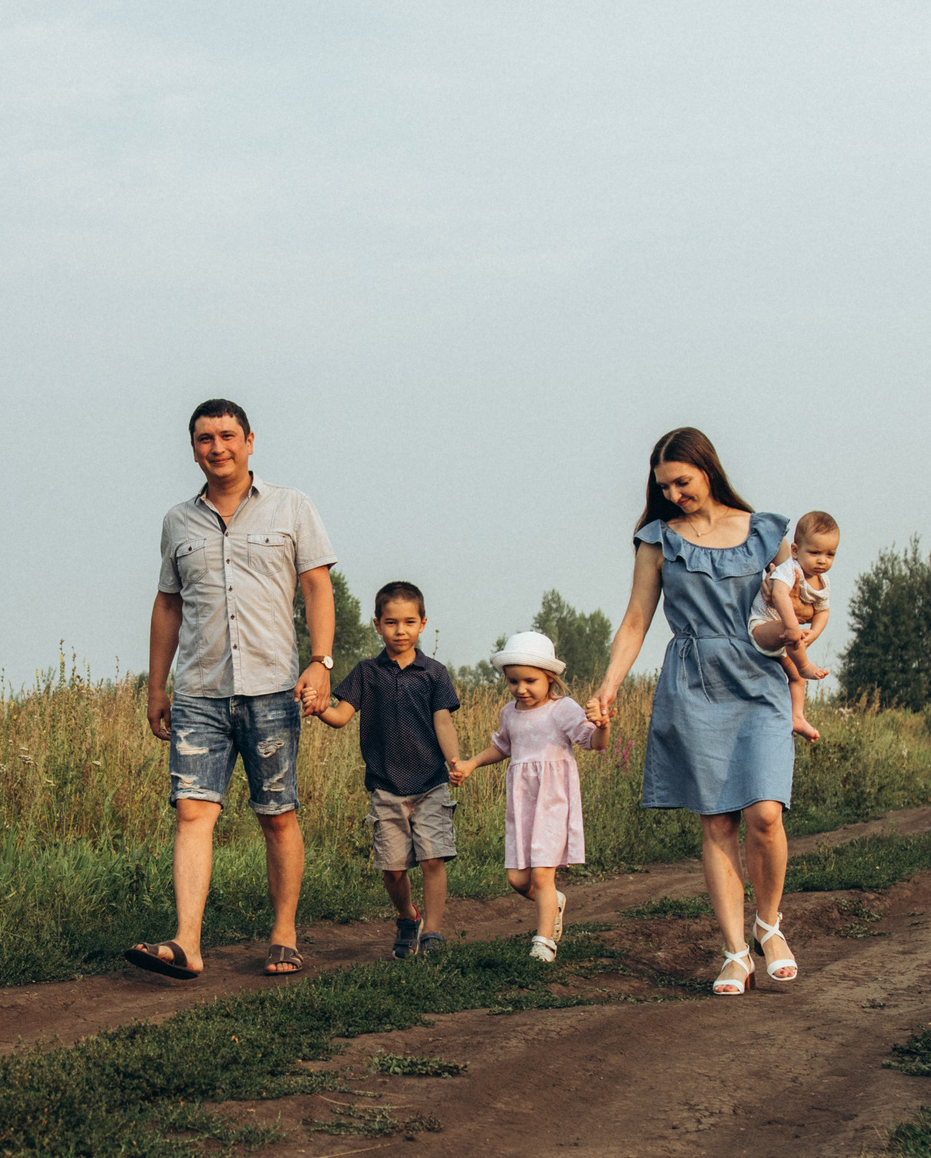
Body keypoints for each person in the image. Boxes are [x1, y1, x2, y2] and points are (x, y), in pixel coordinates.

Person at [129, 399, 339, 982]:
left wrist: (321, 662)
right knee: (193, 813)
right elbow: (167, 605)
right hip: (199, 691)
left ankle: (284, 934)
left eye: (226, 436)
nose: (216, 448)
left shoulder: (292, 507)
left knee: (276, 814)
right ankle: (187, 944)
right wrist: (156, 688)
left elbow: (317, 587)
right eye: (203, 439)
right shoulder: (178, 521)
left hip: (273, 688)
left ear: (250, 440)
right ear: (192, 447)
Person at [588, 428, 797, 998]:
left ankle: (769, 925)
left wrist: (800, 647)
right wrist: (608, 686)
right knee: (717, 821)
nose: (675, 494)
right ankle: (734, 952)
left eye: (683, 481)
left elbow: (800, 594)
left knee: (766, 815)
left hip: (760, 681)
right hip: (695, 684)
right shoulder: (657, 540)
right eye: (665, 486)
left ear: (709, 469)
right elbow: (636, 620)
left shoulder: (768, 531)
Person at [311, 582, 463, 959]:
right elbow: (342, 716)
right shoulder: (366, 673)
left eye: (409, 622)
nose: (401, 630)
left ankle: (433, 933)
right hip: (385, 786)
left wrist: (456, 761)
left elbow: (443, 722)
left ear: (423, 624)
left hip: (430, 782)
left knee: (432, 859)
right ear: (377, 625)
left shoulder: (434, 673)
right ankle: (407, 916)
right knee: (393, 870)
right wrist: (319, 708)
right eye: (391, 622)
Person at [449, 630, 607, 964]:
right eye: (513, 682)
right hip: (523, 804)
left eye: (530, 681)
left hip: (553, 801)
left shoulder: (563, 709)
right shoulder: (510, 712)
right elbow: (502, 746)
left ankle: (544, 941)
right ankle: (554, 903)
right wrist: (472, 764)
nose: (521, 689)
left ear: (550, 678)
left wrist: (602, 725)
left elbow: (593, 742)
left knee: (541, 875)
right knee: (518, 879)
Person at [748, 511, 841, 742]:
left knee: (797, 678)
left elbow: (823, 611)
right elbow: (778, 593)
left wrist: (813, 635)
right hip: (763, 626)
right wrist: (792, 627)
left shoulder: (823, 581)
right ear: (796, 551)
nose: (822, 560)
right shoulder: (791, 569)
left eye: (830, 554)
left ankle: (797, 716)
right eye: (815, 553)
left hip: (788, 641)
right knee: (793, 646)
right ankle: (805, 664)